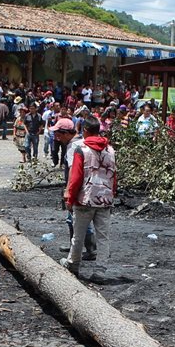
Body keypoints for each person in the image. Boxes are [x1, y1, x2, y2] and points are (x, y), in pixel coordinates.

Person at [61, 117, 117, 278]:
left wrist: (70, 198)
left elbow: (76, 177)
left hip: (85, 198)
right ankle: (100, 271)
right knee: (103, 237)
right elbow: (114, 175)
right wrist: (111, 193)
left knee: (78, 235)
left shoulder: (81, 149)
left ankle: (73, 264)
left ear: (85, 130)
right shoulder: (110, 150)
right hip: (105, 199)